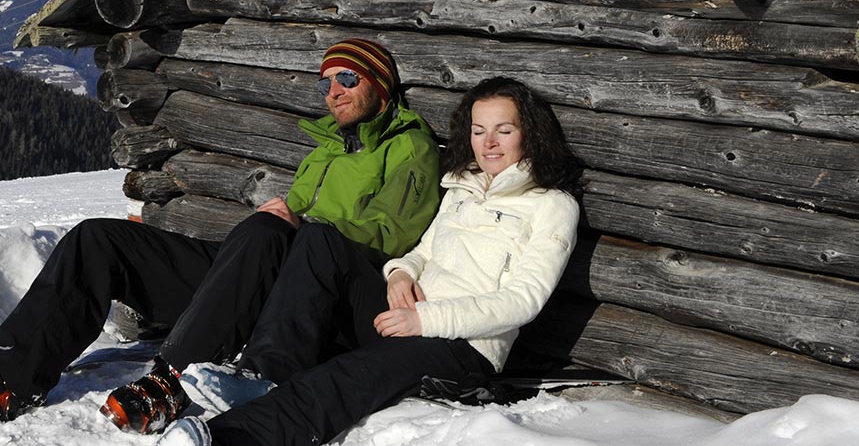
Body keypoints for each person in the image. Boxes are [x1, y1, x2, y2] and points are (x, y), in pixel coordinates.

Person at [0, 38, 443, 433]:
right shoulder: (327, 147)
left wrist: (301, 224)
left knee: (262, 231)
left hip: (319, 303)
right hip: (257, 280)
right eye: (325, 82)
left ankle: (172, 379)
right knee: (100, 240)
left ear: (381, 85)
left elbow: (392, 232)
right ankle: (4, 373)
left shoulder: (408, 147)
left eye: (347, 79)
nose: (333, 93)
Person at [160, 76, 585, 446]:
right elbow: (423, 252)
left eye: (503, 130)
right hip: (406, 316)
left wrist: (427, 321)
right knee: (320, 238)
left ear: (529, 132)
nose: (488, 143)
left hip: (463, 349)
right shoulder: (462, 187)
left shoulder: (552, 205)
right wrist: (400, 273)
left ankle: (232, 437)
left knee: (345, 376)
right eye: (478, 131)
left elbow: (522, 302)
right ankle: (264, 374)